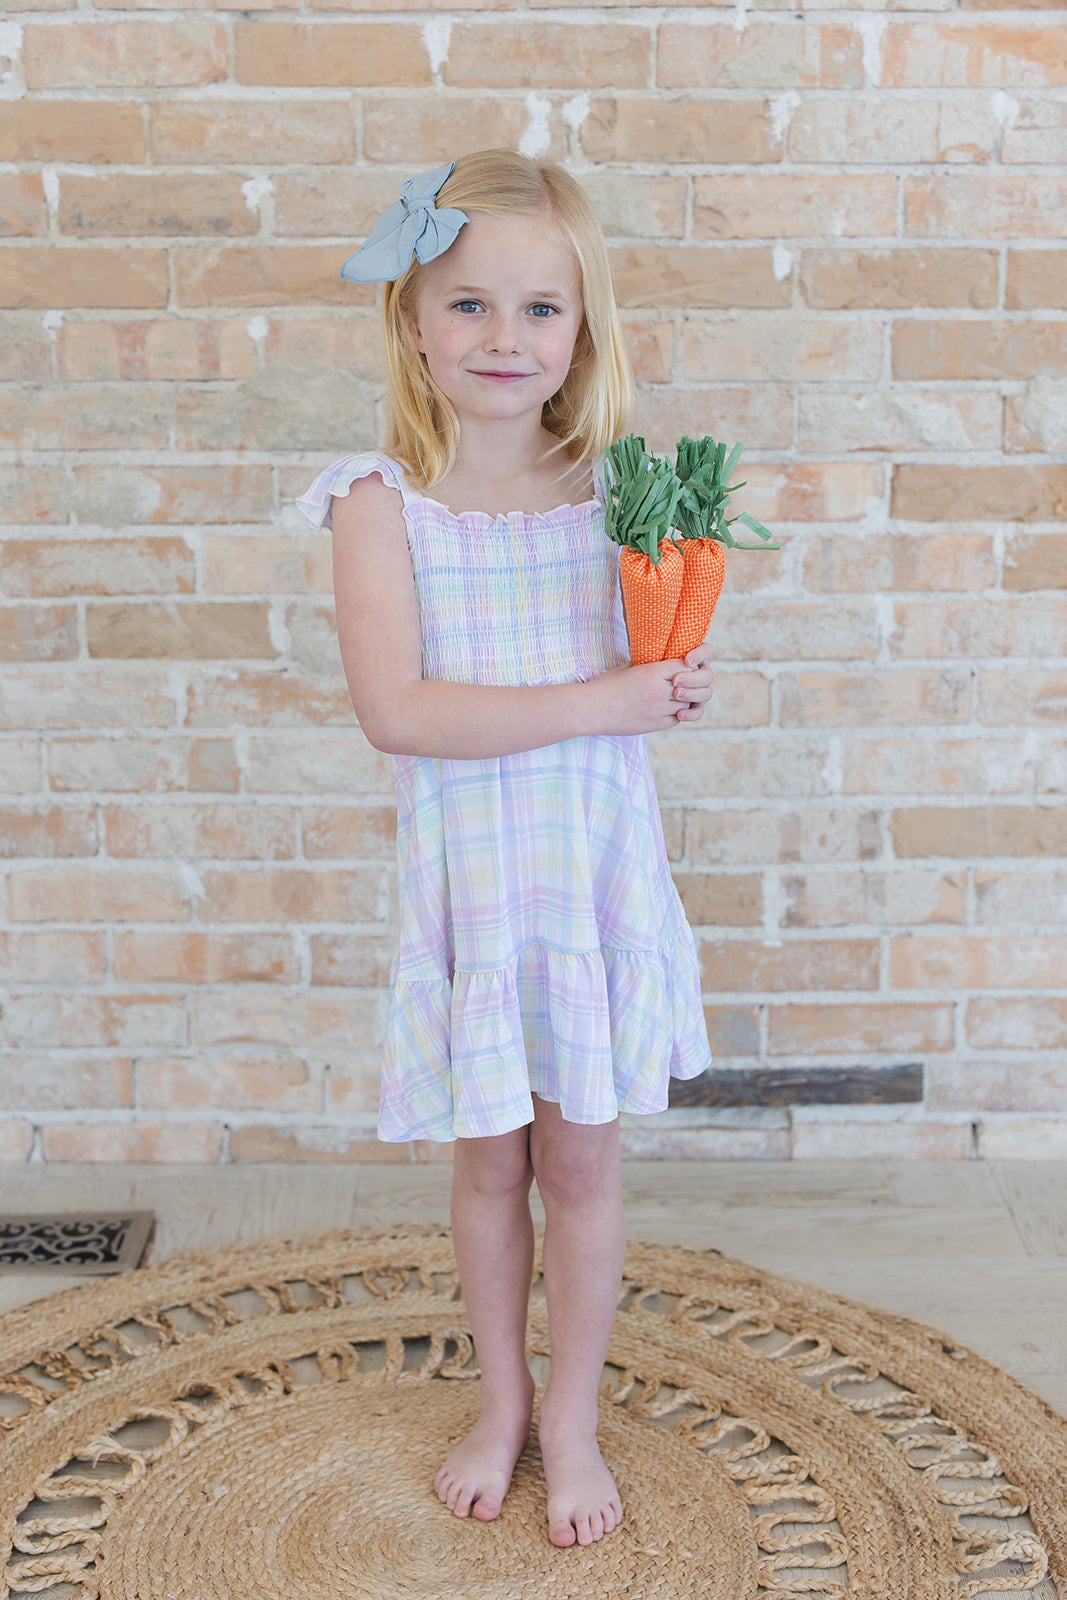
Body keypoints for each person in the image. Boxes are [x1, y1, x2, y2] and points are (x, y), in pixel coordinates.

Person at [296, 150, 714, 1551]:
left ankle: (578, 1415)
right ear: (412, 319)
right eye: (468, 305)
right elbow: (397, 711)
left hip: (586, 893)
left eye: (540, 310)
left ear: (582, 330)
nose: (503, 340)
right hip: (478, 896)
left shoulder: (623, 495)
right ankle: (501, 1404)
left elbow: (649, 666)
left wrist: (666, 677)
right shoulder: (378, 502)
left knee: (584, 1170)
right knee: (489, 1170)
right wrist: (607, 699)